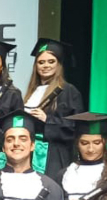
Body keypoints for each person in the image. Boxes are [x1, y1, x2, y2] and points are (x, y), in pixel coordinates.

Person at [22, 38, 85, 180]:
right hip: (28, 153)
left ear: (59, 65)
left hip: (53, 156)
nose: (45, 66)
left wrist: (47, 120)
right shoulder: (31, 92)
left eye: (51, 61)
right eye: (41, 62)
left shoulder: (68, 91)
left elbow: (76, 127)